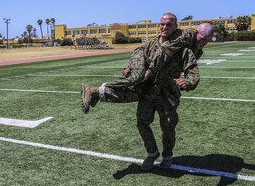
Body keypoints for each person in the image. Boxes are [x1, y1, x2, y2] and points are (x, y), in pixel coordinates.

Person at [81, 13, 213, 170]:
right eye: (162, 24)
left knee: (168, 127)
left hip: (167, 94)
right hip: (148, 91)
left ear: (175, 26)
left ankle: (168, 156)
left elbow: (192, 72)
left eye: (168, 24)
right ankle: (152, 153)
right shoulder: (151, 44)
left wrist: (188, 82)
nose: (164, 27)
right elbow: (140, 59)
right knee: (142, 123)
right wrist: (131, 68)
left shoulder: (185, 50)